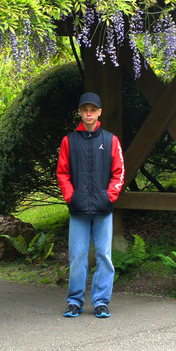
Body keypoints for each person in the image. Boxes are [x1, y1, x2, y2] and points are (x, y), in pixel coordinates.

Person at [56, 92, 124, 318]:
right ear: (79, 112)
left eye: (92, 110)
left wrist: (108, 197)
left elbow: (119, 173)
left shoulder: (111, 140)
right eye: (85, 110)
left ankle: (101, 301)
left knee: (104, 255)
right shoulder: (69, 141)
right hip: (78, 210)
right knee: (77, 256)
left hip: (103, 210)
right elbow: (62, 173)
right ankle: (74, 301)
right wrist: (71, 197)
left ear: (99, 112)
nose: (88, 113)